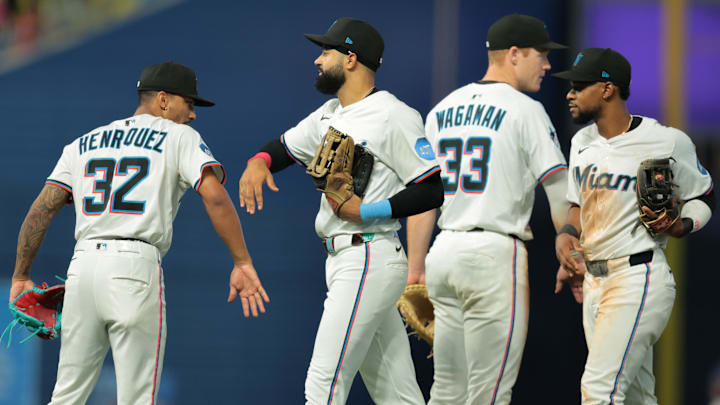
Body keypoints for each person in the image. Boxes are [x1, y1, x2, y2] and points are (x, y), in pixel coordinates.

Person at [8, 61, 270, 404]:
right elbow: (216, 198)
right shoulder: (179, 136)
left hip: (82, 268)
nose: (192, 115)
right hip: (134, 267)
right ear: (163, 99)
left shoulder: (83, 143)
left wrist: (21, 274)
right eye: (188, 104)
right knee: (138, 398)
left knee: (66, 396)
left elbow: (42, 208)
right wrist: (242, 261)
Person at [238, 17, 443, 405]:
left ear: (351, 59)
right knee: (397, 392)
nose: (318, 60)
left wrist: (369, 209)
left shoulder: (393, 114)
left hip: (369, 253)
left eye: (326, 51)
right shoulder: (329, 113)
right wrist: (260, 160)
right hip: (345, 257)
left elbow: (432, 189)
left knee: (324, 380)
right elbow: (283, 147)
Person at [406, 13, 570, 404]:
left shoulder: (442, 109)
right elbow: (559, 184)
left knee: (447, 389)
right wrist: (569, 238)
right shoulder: (525, 109)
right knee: (489, 392)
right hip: (493, 255)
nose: (547, 65)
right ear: (514, 54)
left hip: (444, 252)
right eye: (540, 55)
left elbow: (422, 196)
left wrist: (416, 268)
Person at [553, 47, 715, 404]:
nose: (570, 94)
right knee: (637, 398)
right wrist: (566, 237)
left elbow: (705, 196)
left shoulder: (667, 141)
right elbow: (578, 206)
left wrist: (682, 226)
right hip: (594, 282)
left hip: (637, 277)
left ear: (608, 89)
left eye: (579, 86)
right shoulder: (582, 141)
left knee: (598, 390)